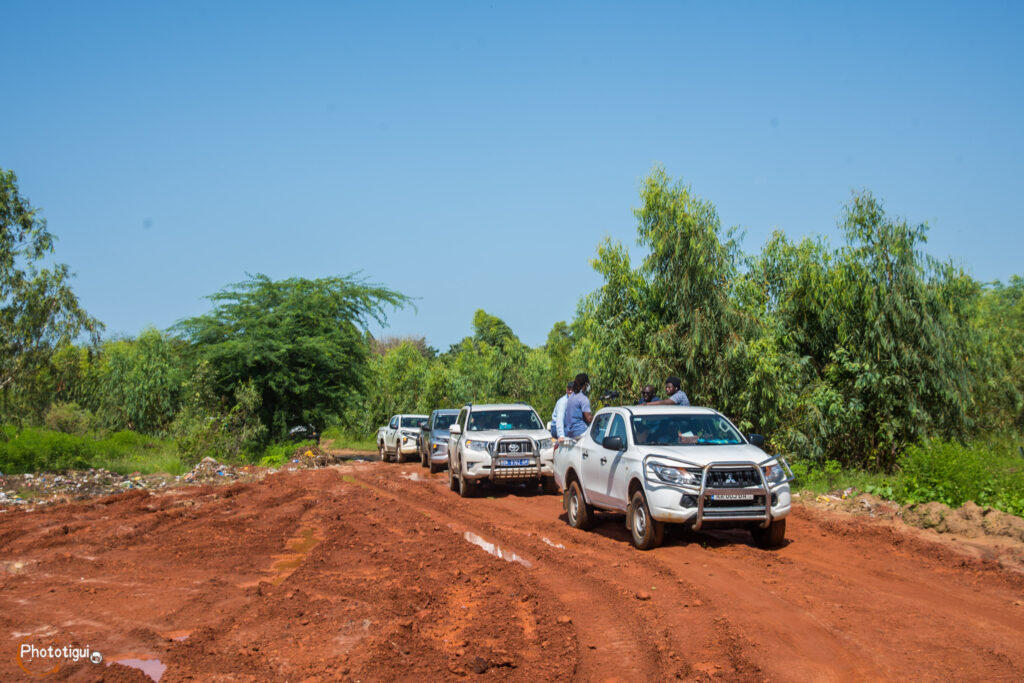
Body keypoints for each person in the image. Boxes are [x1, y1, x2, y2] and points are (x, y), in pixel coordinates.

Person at [563, 373, 593, 439]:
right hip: (581, 431)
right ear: (586, 384)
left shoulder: (571, 397)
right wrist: (598, 418)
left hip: (570, 432)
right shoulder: (583, 399)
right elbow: (588, 419)